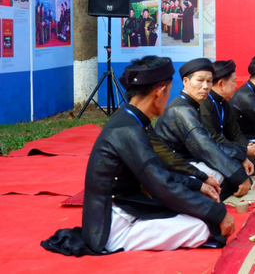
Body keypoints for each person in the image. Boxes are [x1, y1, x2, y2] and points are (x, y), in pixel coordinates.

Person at [41, 56, 234, 256]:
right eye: (168, 91)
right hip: (113, 224)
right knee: (204, 227)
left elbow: (157, 170)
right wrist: (218, 214)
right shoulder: (128, 129)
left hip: (129, 205)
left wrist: (197, 184)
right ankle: (122, 241)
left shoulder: (130, 117)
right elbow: (161, 184)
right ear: (160, 93)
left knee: (200, 210)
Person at [155, 58, 254, 199]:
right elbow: (205, 146)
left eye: (209, 81)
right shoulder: (181, 109)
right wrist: (238, 176)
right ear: (185, 82)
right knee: (225, 176)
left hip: (190, 159)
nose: (206, 86)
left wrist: (240, 157)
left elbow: (210, 142)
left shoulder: (192, 105)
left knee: (232, 168)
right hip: (173, 167)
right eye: (200, 80)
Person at [200, 60, 255, 172]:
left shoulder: (224, 103)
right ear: (221, 84)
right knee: (236, 167)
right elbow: (213, 138)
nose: (236, 86)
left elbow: (236, 134)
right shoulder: (204, 103)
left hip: (230, 146)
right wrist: (244, 149)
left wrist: (247, 147)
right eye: (234, 82)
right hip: (212, 151)